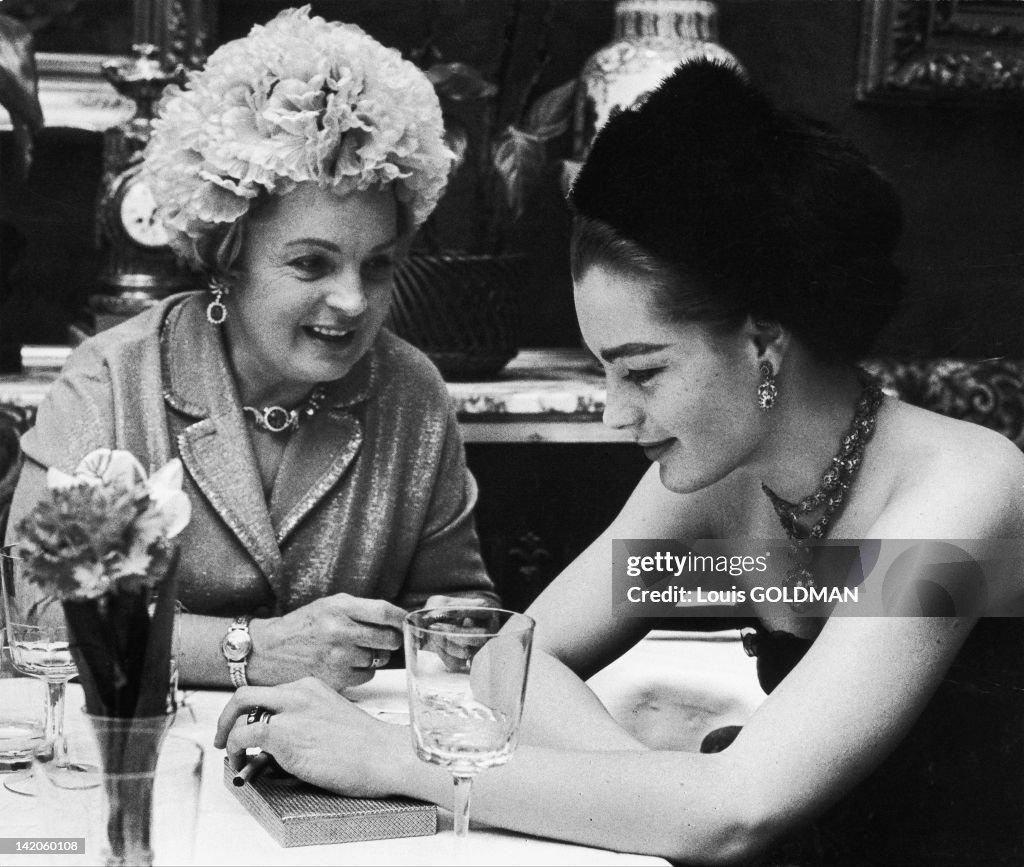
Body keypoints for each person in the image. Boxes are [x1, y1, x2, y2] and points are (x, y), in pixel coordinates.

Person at [213, 60, 1024, 864]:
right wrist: (657, 801)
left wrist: (394, 760)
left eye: (642, 370)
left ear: (763, 341)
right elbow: (512, 662)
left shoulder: (964, 492)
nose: (614, 411)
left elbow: (737, 810)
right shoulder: (726, 490)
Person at [5, 7, 498, 691]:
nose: (353, 300)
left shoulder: (412, 393)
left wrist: (457, 624)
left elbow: (456, 598)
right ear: (227, 259)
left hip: (335, 775)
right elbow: (41, 614)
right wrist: (251, 650)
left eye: (378, 265)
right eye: (311, 265)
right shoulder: (116, 379)